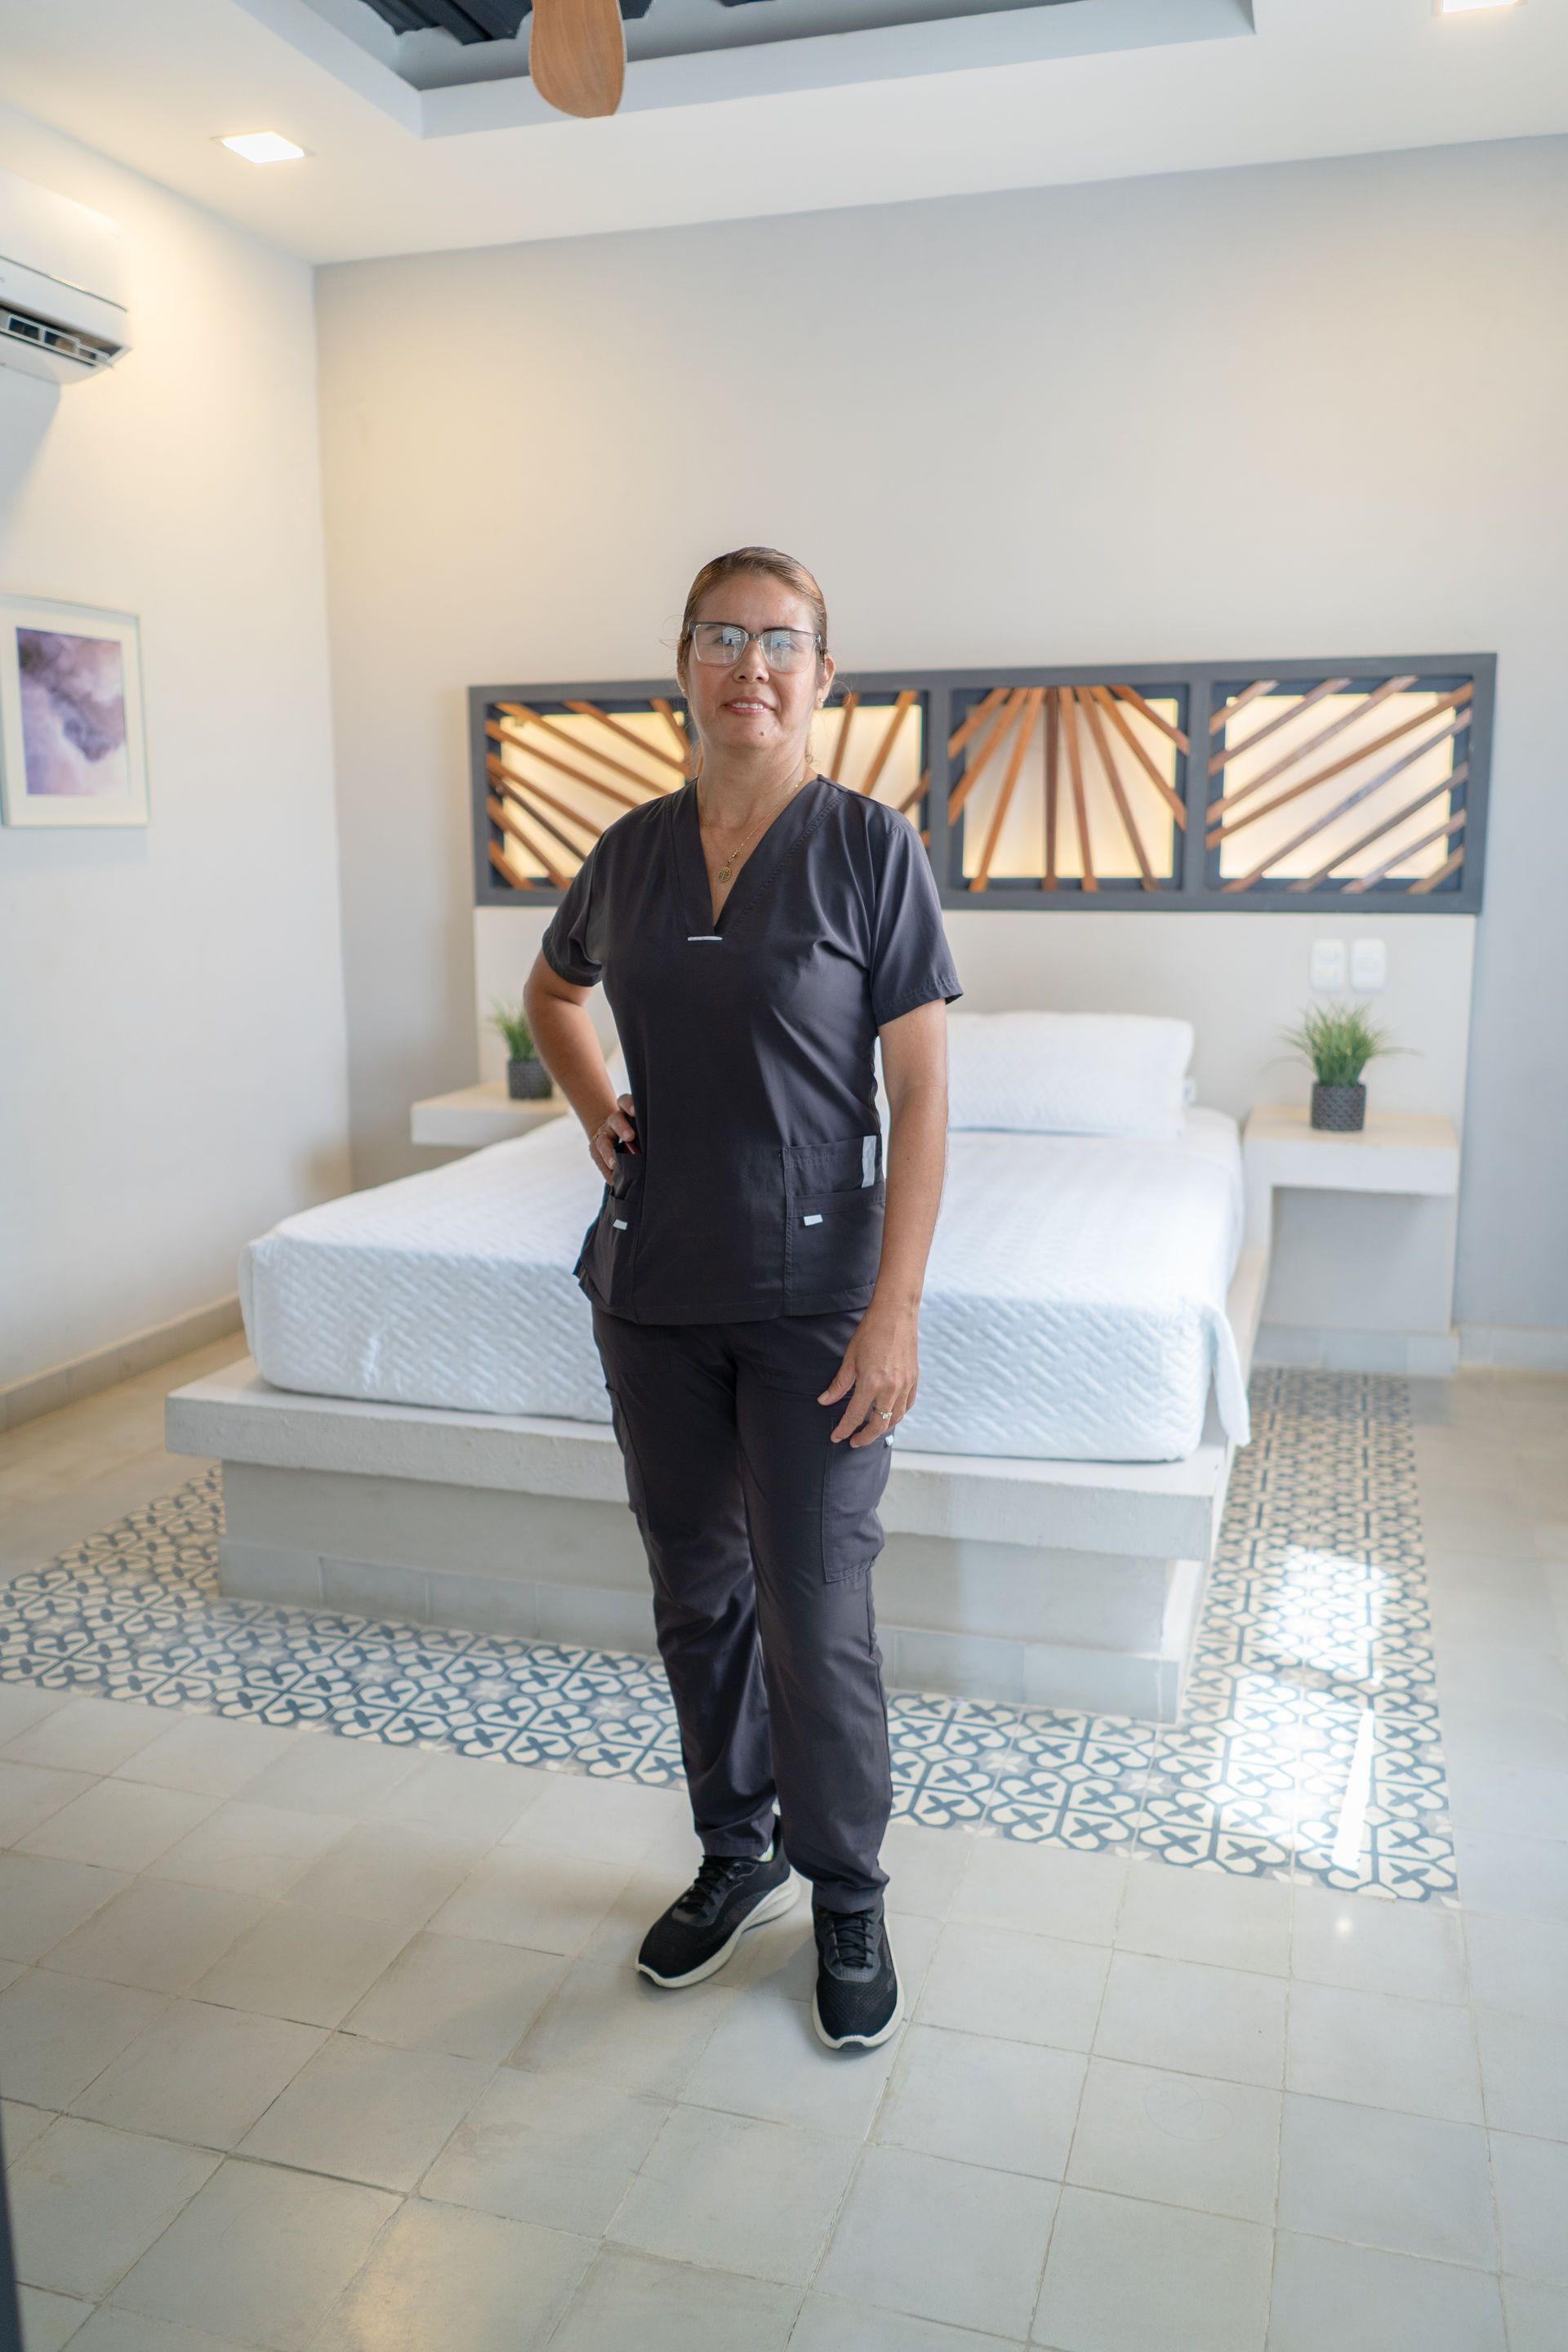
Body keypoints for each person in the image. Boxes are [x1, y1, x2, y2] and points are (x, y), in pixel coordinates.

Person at [524, 546, 962, 2051]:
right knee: (697, 1590)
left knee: (816, 1601)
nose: (751, 666)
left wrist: (895, 1307)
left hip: (816, 1304)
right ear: (687, 663)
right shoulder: (633, 849)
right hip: (655, 1285)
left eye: (783, 643)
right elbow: (552, 991)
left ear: (823, 676)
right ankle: (739, 1847)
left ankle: (846, 1889)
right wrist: (595, 1109)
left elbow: (919, 1092)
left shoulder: (866, 851)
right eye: (725, 636)